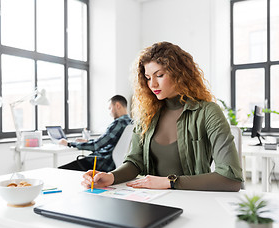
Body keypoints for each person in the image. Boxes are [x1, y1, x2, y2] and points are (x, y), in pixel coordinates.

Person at [82, 42, 243, 191]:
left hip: (193, 200)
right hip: (152, 199)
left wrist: (170, 182)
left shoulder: (208, 112)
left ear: (180, 74)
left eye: (159, 75)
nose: (152, 84)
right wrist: (111, 177)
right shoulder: (147, 114)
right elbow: (135, 162)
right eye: (148, 78)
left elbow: (231, 179)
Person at [58, 95, 132, 172]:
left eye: (110, 108)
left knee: (59, 171)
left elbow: (96, 145)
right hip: (111, 163)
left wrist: (69, 143)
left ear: (117, 105)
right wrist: (87, 141)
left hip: (100, 163)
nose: (110, 112)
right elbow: (104, 142)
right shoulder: (130, 122)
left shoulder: (119, 123)